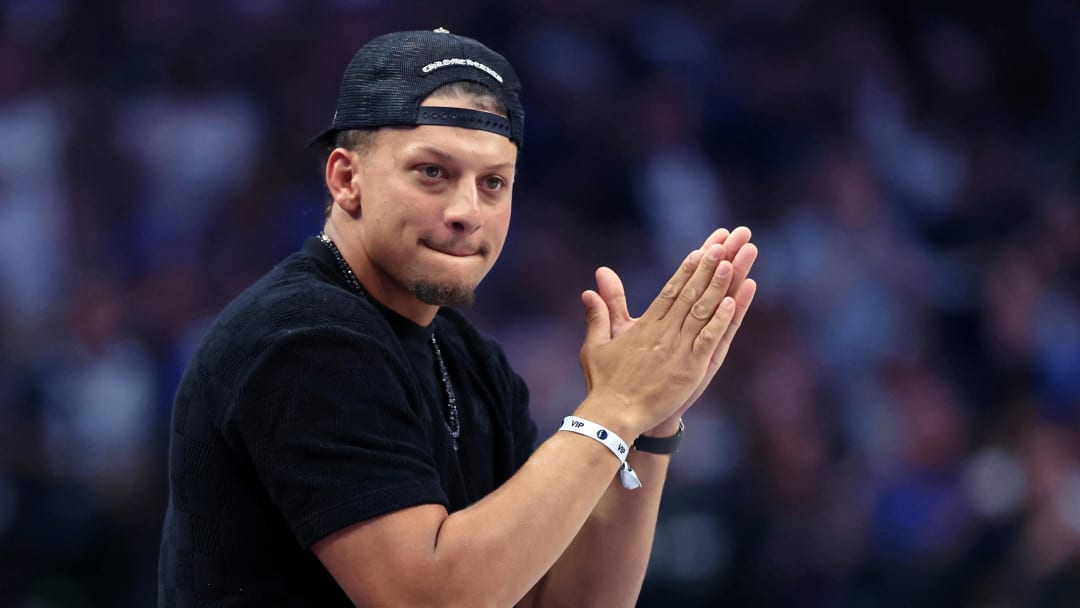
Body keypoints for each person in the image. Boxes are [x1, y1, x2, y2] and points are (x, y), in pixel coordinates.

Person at [157, 28, 758, 607]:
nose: (467, 211)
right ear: (346, 179)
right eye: (433, 173)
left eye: (494, 182)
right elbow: (430, 601)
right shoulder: (299, 337)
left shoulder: (473, 361)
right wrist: (613, 409)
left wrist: (648, 425)